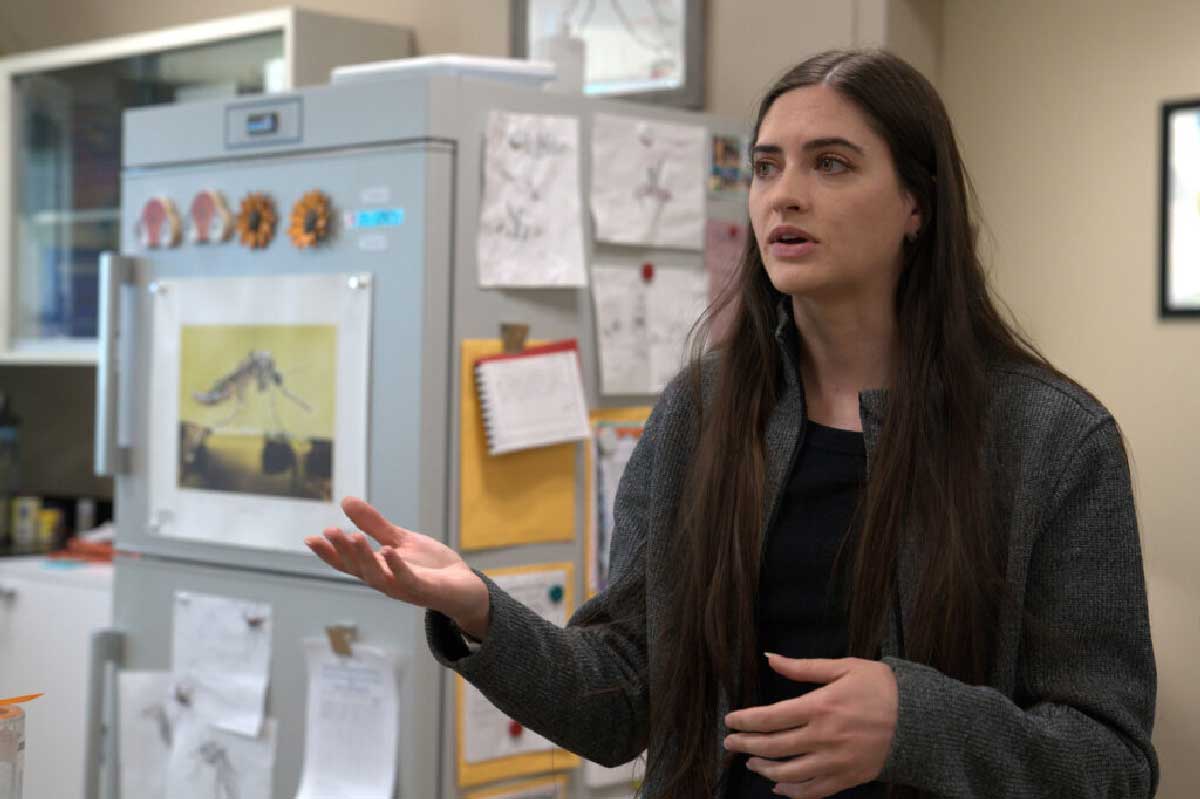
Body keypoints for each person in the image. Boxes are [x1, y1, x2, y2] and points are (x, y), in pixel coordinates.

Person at [306, 48, 1158, 799]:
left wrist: (914, 721)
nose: (785, 195)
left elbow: (1110, 764)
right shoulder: (701, 413)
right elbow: (623, 700)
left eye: (831, 164)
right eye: (765, 166)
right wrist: (481, 609)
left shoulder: (1052, 440)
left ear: (915, 206)